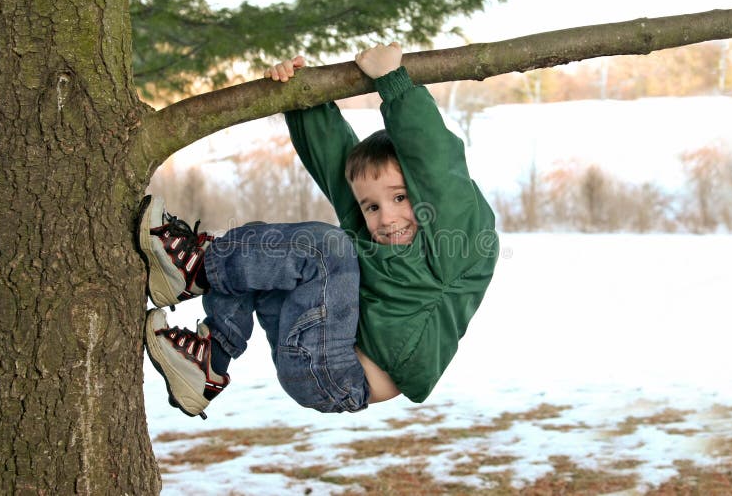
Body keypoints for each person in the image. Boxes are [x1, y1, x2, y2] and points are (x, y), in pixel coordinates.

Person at [137, 42, 498, 419]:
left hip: (340, 375)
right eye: (372, 206)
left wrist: (394, 81)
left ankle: (195, 269)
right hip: (315, 349)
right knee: (267, 250)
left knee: (324, 248)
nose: (386, 218)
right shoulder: (377, 238)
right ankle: (210, 361)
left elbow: (436, 164)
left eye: (400, 198)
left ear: (425, 193)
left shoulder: (458, 245)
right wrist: (301, 95)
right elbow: (337, 163)